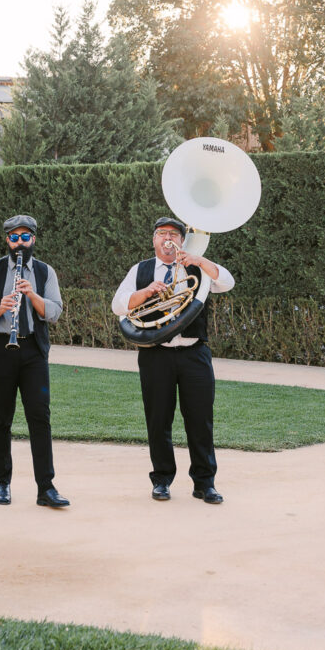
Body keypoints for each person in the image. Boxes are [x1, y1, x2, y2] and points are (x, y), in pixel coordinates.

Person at [112, 215, 235, 504]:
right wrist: (147, 293)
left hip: (194, 352)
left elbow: (227, 282)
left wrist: (200, 261)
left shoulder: (196, 268)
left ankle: (205, 483)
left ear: (182, 241)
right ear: (154, 240)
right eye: (161, 233)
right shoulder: (140, 269)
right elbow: (118, 304)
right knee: (158, 419)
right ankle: (162, 480)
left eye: (173, 234)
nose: (167, 238)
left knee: (200, 419)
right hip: (156, 354)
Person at [0, 214, 69, 509]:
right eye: (14, 238)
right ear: (7, 241)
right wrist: (1, 308)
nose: (19, 243)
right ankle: (3, 483)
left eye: (25, 237)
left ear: (33, 240)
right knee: (2, 417)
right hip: (0, 349)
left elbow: (53, 312)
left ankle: (46, 488)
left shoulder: (44, 271)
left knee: (40, 417)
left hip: (32, 351)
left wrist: (32, 294)